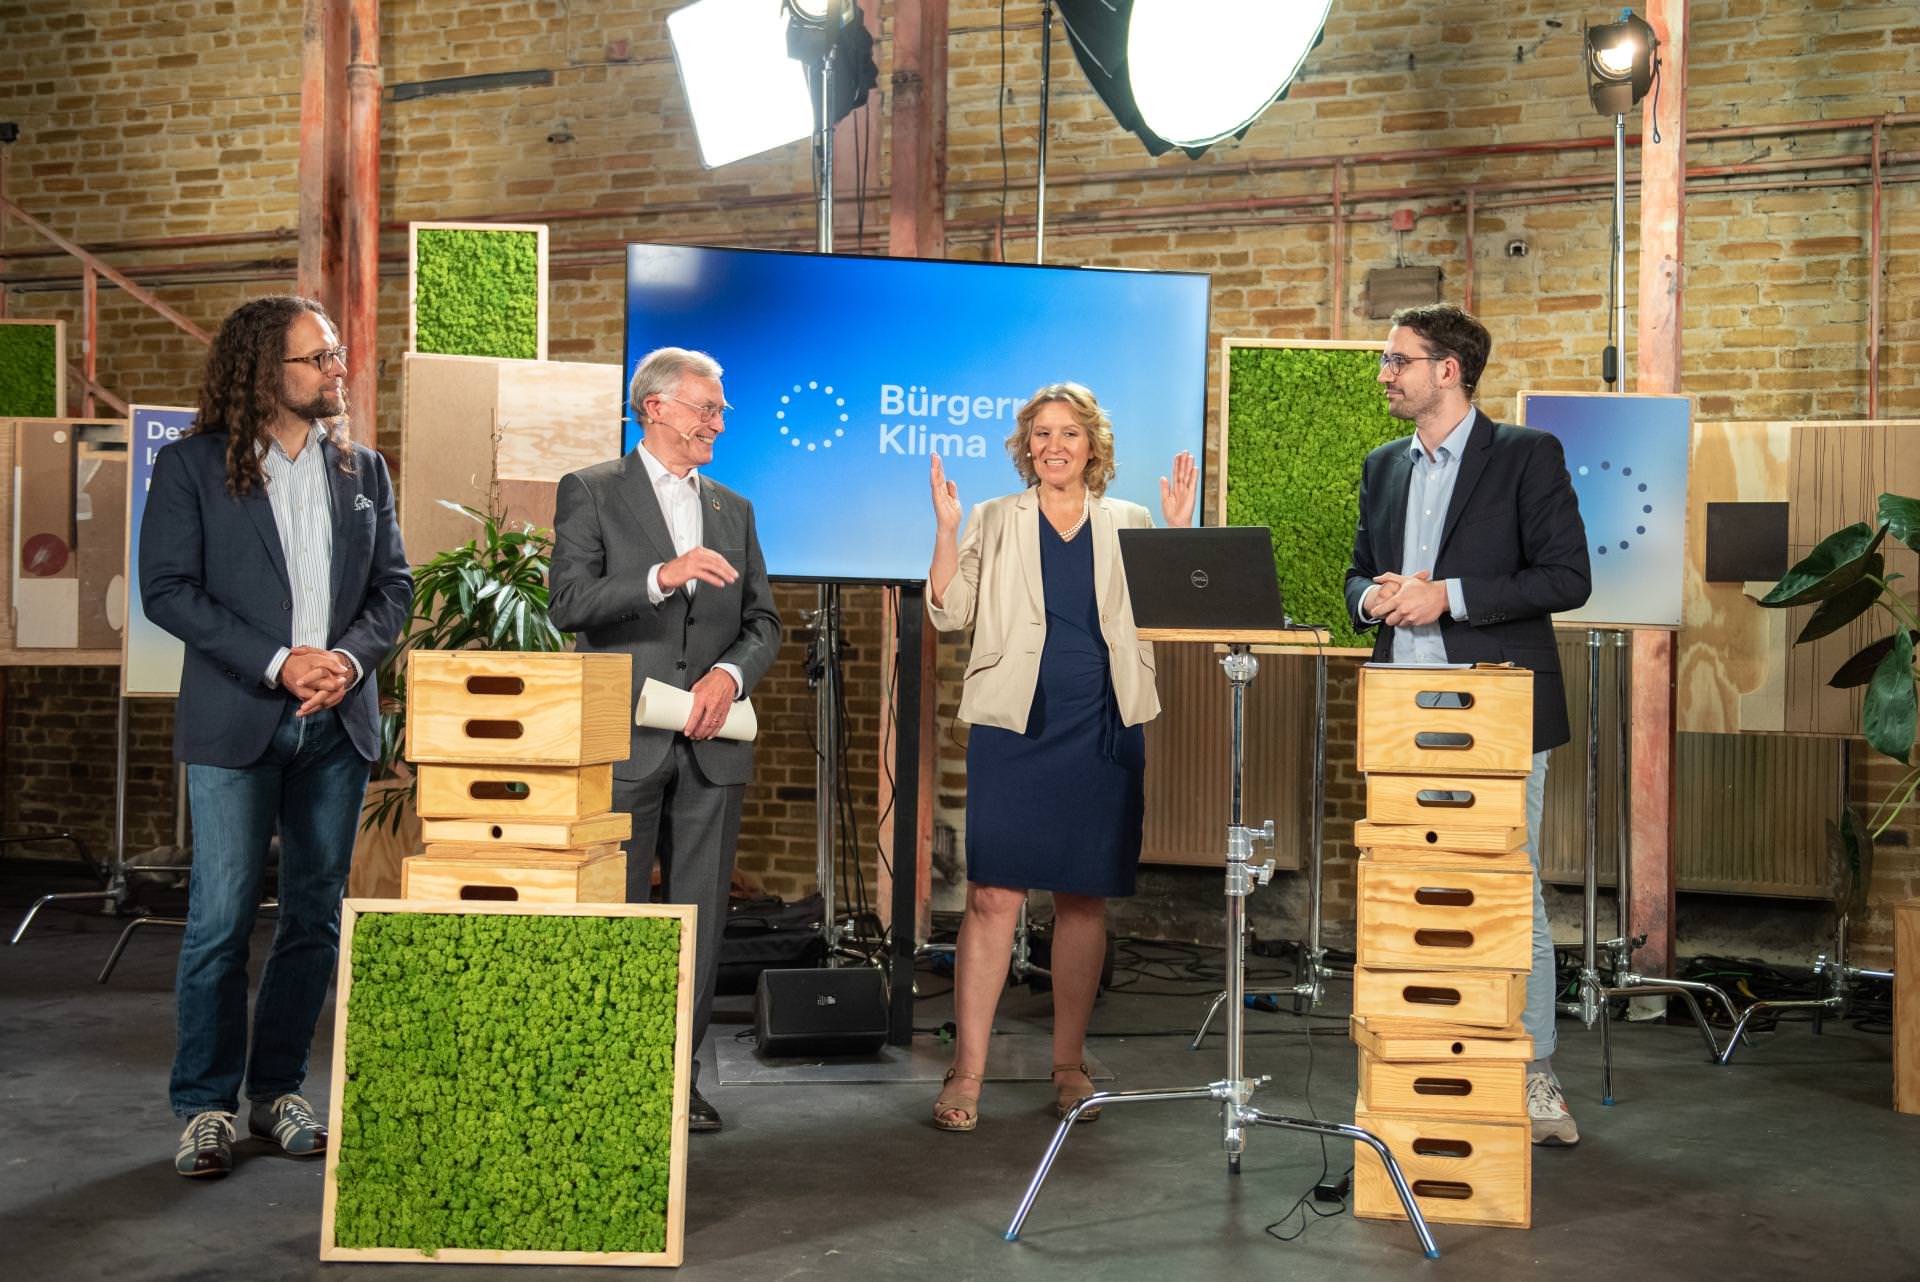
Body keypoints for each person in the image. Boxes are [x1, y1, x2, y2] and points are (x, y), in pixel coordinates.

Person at [140, 295, 411, 1178]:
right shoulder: (190, 469)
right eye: (318, 359)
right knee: (218, 922)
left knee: (312, 920)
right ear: (265, 372)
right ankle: (205, 1107)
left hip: (338, 726)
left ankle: (278, 1091)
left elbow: (393, 592)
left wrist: (342, 662)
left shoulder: (363, 469)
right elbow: (169, 591)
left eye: (336, 356)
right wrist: (277, 663)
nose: (338, 371)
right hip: (235, 723)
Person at [1344, 303, 1592, 1146]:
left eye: (1398, 360)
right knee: (1411, 888)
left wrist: (1446, 596)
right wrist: (1370, 598)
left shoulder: (1526, 455)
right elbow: (1353, 573)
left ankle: (1534, 1072)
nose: (1386, 373)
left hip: (1497, 715)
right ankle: (1430, 1065)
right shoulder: (1383, 466)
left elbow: (1567, 577)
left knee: (1506, 889)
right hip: (1399, 717)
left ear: (1447, 370)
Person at [925, 381, 1196, 1132]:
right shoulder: (991, 518)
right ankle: (967, 1071)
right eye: (1041, 434)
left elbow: (1173, 616)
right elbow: (950, 613)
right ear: (1026, 447)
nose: (1053, 446)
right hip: (1015, 728)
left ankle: (1069, 1066)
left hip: (1103, 725)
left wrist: (1177, 533)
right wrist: (946, 531)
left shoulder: (1131, 520)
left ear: (1092, 446)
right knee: (992, 897)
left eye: (1069, 433)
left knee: (1082, 897)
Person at [549, 346, 781, 1134]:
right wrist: (663, 575)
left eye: (720, 410)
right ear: (655, 409)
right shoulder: (591, 491)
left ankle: (678, 1079)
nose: (717, 422)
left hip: (713, 746)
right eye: (705, 408)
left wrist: (729, 679)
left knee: (700, 915)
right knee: (615, 910)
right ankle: (614, 1072)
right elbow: (570, 600)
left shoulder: (735, 508)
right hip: (623, 737)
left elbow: (764, 623)